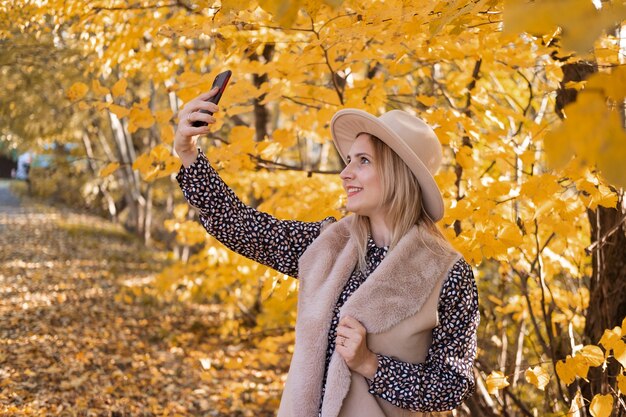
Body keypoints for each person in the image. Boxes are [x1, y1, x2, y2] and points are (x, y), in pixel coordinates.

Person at [174, 88, 479, 417]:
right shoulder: (329, 245)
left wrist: (370, 364)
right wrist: (188, 152)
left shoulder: (446, 272)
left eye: (363, 161)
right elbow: (243, 227)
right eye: (349, 160)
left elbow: (451, 385)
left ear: (398, 173)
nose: (345, 174)